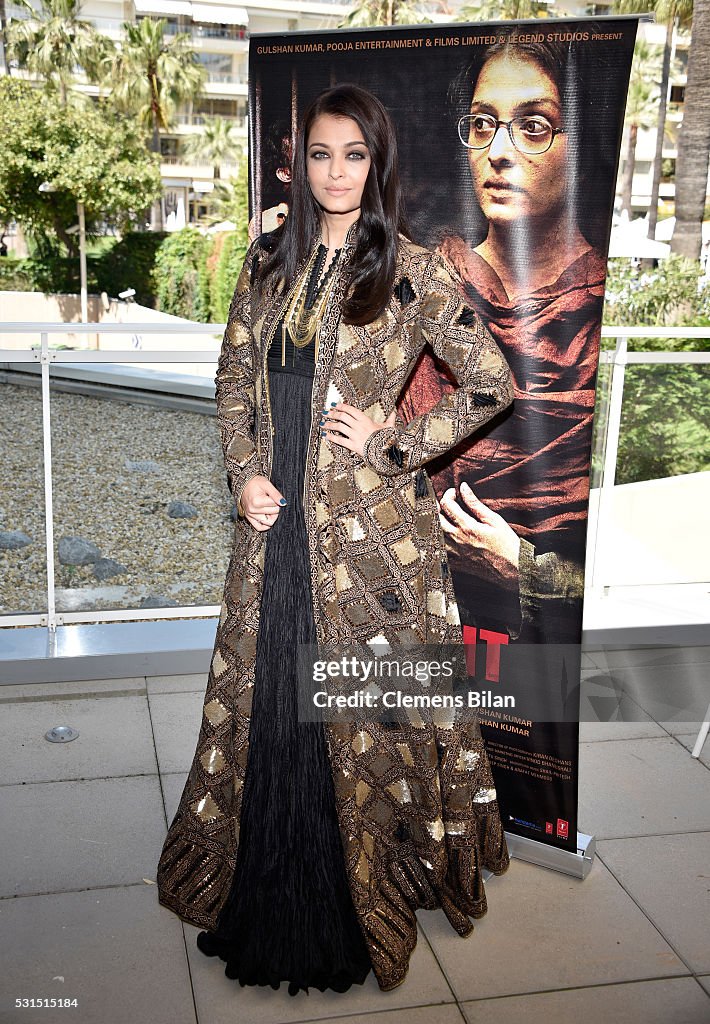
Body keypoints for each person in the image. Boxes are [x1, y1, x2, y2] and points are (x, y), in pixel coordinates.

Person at [156, 83, 514, 996]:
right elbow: (234, 376)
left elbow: (490, 381)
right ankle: (263, 894)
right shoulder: (268, 258)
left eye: (354, 154)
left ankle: (355, 904)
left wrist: (396, 442)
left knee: (356, 723)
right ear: (298, 161)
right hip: (272, 527)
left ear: (377, 162)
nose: (337, 171)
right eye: (321, 153)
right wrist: (243, 474)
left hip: (367, 542)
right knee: (272, 706)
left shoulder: (409, 268)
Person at [399, 32, 609, 642]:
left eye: (534, 126)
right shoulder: (426, 285)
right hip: (415, 609)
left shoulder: (599, 306)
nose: (500, 151)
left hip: (533, 649)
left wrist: (520, 567)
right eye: (483, 123)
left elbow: (597, 570)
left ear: (579, 147)